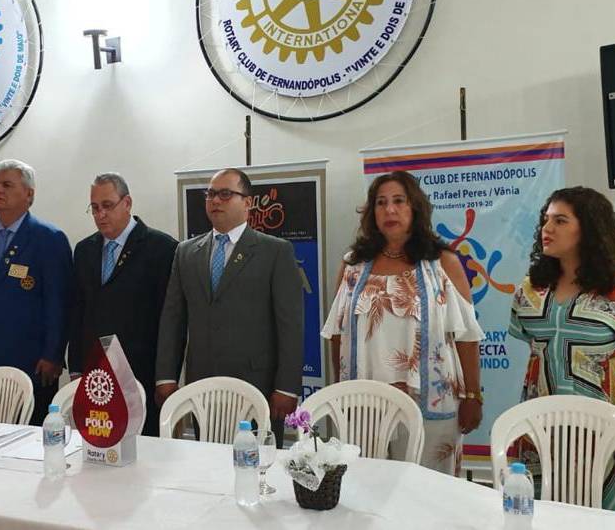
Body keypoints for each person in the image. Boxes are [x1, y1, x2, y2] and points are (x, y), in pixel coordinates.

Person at [510, 186, 615, 518]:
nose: (547, 229)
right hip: (545, 423)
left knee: (606, 516)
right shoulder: (531, 288)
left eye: (560, 221)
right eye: (546, 220)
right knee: (548, 512)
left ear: (589, 229)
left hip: (609, 424)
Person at [321, 171, 483, 476]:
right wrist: (340, 392)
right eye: (381, 203)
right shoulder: (353, 265)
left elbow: (467, 336)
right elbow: (337, 334)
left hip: (432, 404)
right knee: (367, 486)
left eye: (399, 201)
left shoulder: (442, 262)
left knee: (428, 490)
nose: (390, 210)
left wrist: (473, 396)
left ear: (415, 208)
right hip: (365, 404)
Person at [155, 168, 303, 443]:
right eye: (210, 194)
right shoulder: (186, 252)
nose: (215, 200)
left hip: (257, 384)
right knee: (206, 461)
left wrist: (287, 387)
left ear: (247, 202)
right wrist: (165, 377)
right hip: (202, 385)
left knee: (257, 462)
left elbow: (290, 326)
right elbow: (173, 318)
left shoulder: (275, 251)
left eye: (225, 194)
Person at [0, 160, 73, 425]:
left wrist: (53, 354)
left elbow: (59, 302)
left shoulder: (48, 238)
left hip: (32, 362)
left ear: (29, 194)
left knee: (30, 437)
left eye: (7, 185)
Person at [69, 172, 177, 436]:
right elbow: (78, 311)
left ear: (127, 203)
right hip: (96, 371)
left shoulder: (161, 248)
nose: (100, 214)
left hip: (142, 369)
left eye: (107, 206)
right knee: (98, 445)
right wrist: (76, 367)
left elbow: (170, 320)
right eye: (95, 208)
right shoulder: (84, 250)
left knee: (145, 449)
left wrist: (166, 376)